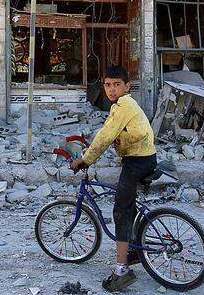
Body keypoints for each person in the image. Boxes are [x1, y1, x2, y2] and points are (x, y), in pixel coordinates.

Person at [70, 65, 156, 293]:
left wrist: (85, 160)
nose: (111, 89)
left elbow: (105, 136)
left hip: (137, 162)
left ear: (127, 87)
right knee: (129, 206)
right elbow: (111, 133)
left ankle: (122, 270)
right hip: (143, 158)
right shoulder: (122, 106)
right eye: (107, 85)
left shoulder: (124, 104)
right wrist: (93, 149)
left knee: (120, 210)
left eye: (117, 84)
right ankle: (135, 248)